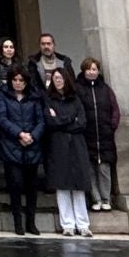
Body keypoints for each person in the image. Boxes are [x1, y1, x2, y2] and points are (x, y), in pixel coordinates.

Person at [0, 67, 45, 236]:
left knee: (32, 187)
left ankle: (31, 222)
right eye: (15, 80)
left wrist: (33, 136)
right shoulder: (3, 96)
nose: (18, 83)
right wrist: (19, 134)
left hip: (32, 145)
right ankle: (18, 222)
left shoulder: (34, 97)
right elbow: (2, 118)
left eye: (21, 80)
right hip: (11, 146)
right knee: (15, 184)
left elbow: (41, 120)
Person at [42, 66, 93, 236]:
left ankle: (83, 224)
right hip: (58, 146)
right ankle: (68, 225)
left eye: (60, 77)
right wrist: (70, 119)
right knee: (62, 185)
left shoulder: (75, 100)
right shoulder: (49, 99)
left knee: (78, 185)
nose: (58, 80)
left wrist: (61, 120)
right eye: (55, 78)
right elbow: (51, 122)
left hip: (77, 145)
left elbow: (82, 122)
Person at [78, 57, 121, 212]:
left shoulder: (105, 89)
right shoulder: (79, 89)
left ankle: (106, 198)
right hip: (87, 135)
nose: (91, 72)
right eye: (89, 69)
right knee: (90, 169)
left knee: (104, 169)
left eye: (94, 69)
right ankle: (95, 198)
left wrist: (112, 126)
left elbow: (115, 109)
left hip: (104, 135)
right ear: (84, 71)